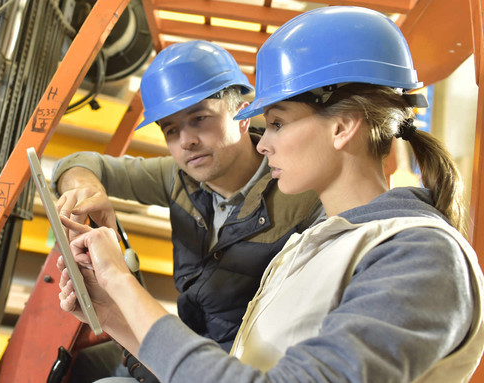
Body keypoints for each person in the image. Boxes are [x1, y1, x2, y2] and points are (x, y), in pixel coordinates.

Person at [57, 6, 484, 383]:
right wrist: (112, 310)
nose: (263, 144)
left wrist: (121, 281)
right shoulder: (309, 248)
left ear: (343, 125)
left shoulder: (421, 254)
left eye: (277, 122)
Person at [51, 40, 322, 382]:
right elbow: (77, 162)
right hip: (187, 342)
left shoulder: (300, 194)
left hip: (238, 368)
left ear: (243, 113)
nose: (186, 141)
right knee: (80, 366)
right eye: (171, 130)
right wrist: (83, 188)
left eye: (199, 120)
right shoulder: (178, 177)